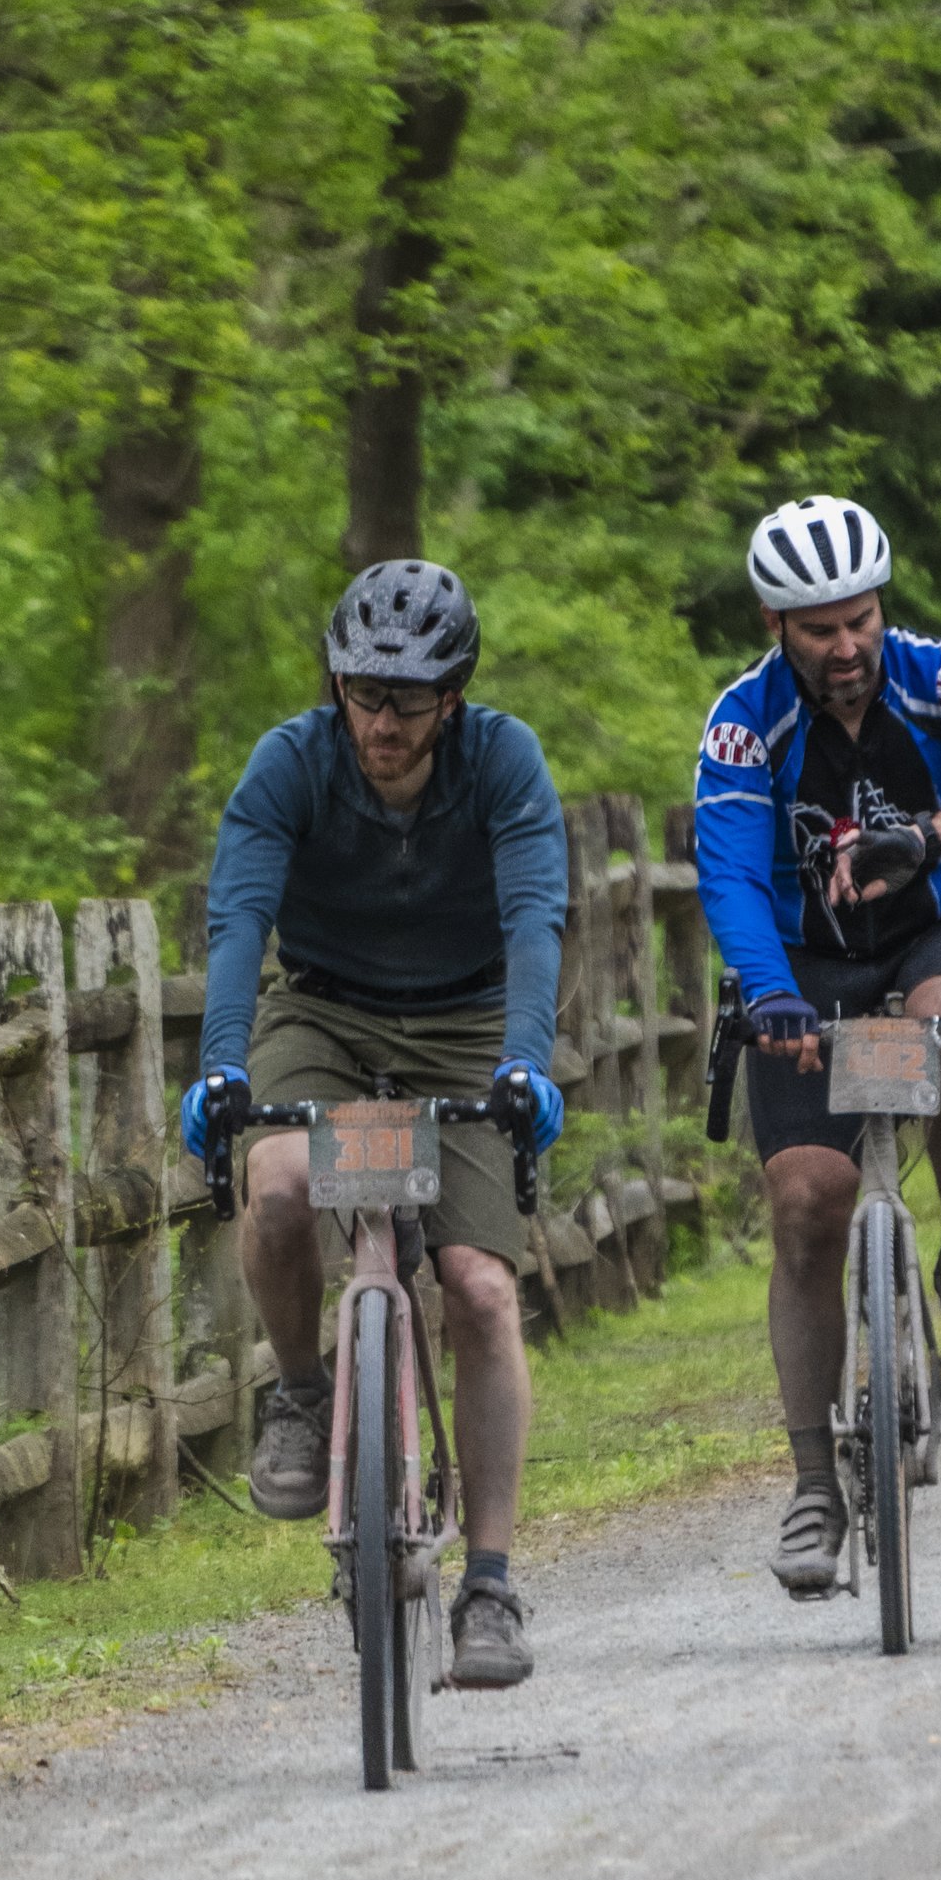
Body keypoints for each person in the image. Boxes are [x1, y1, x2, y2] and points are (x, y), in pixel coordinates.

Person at [185, 560, 568, 1688]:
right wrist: (218, 1071)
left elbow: (536, 915)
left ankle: (490, 1580)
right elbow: (237, 920)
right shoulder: (289, 764)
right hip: (325, 1014)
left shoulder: (504, 762)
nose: (381, 722)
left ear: (451, 699)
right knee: (282, 1183)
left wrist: (526, 1067)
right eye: (362, 694)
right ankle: (303, 1390)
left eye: (406, 701)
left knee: (483, 1288)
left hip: (468, 1020)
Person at [692, 495, 941, 1594]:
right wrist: (766, 994)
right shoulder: (740, 721)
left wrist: (937, 836)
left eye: (858, 618)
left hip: (926, 932)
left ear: (881, 606)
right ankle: (814, 1484)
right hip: (802, 964)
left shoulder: (939, 677)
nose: (845, 645)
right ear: (778, 626)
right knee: (808, 1208)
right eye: (818, 628)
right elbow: (725, 868)